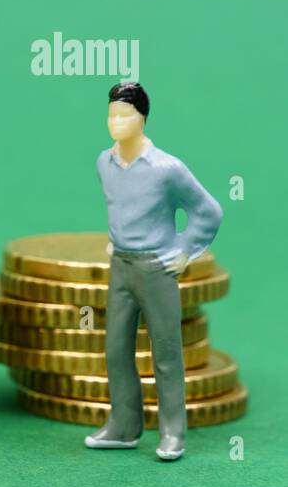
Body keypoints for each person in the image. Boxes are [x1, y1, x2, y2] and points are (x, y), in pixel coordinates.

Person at [86, 81, 223, 461]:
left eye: (124, 115)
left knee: (165, 352)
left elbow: (208, 211)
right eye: (111, 114)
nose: (115, 122)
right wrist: (116, 239)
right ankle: (125, 425)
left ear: (142, 118)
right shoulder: (104, 162)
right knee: (116, 349)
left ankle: (173, 432)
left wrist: (184, 250)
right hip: (121, 266)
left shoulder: (166, 168)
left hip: (156, 267)